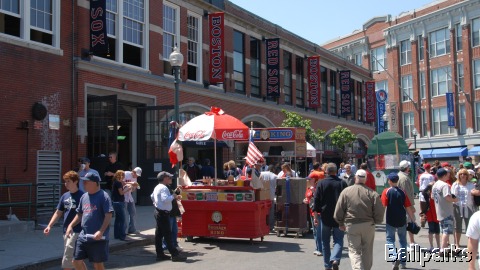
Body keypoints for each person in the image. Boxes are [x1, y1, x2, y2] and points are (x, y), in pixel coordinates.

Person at [334, 169, 384, 270]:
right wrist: (376, 221)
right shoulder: (372, 193)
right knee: (367, 250)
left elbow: (339, 209)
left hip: (352, 225)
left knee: (354, 250)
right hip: (368, 225)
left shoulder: (346, 191)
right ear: (365, 179)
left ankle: (357, 268)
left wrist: (340, 222)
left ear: (355, 177)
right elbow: (379, 210)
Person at [65, 172, 114, 270]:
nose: (84, 184)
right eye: (83, 182)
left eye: (87, 182)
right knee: (76, 261)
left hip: (98, 238)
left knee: (97, 264)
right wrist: (71, 225)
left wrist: (101, 231)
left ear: (95, 183)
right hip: (84, 236)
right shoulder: (84, 196)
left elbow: (109, 215)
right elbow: (79, 214)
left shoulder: (103, 196)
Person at [43, 171, 85, 270]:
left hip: (77, 231)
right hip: (66, 231)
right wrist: (49, 225)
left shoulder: (82, 196)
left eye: (68, 181)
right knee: (76, 259)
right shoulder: (65, 196)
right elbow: (58, 212)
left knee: (68, 259)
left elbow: (83, 214)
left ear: (75, 182)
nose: (66, 184)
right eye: (65, 181)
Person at [313, 163, 348, 270]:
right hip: (339, 217)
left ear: (326, 172)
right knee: (338, 240)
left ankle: (327, 265)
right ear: (336, 171)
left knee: (325, 241)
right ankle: (335, 259)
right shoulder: (342, 183)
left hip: (325, 216)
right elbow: (347, 201)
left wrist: (315, 217)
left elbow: (316, 200)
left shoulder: (321, 183)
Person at [381, 172, 416, 270]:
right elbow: (408, 207)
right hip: (402, 219)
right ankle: (403, 262)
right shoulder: (403, 192)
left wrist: (378, 218)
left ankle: (394, 257)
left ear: (389, 181)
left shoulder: (386, 191)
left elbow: (383, 206)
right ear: (397, 181)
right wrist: (413, 219)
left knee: (390, 240)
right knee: (403, 241)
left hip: (390, 219)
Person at [150, 171, 187, 262]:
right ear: (165, 178)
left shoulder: (158, 187)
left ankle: (160, 254)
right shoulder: (163, 188)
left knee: (159, 235)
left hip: (159, 212)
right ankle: (174, 254)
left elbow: (152, 197)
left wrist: (157, 203)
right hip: (163, 213)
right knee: (167, 234)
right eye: (169, 178)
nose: (171, 179)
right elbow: (165, 199)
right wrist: (174, 196)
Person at [432, 168, 459, 255]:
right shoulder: (444, 185)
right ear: (444, 175)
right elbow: (447, 197)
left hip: (439, 210)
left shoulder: (435, 184)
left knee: (443, 230)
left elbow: (432, 197)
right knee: (446, 231)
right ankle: (442, 249)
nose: (448, 175)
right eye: (447, 174)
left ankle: (445, 247)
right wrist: (455, 200)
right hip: (446, 210)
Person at [451, 168, 475, 252]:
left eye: (464, 174)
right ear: (458, 175)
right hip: (457, 206)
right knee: (458, 226)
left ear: (467, 176)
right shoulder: (455, 184)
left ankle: (470, 245)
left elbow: (473, 194)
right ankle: (457, 244)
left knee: (469, 226)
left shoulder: (471, 184)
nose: (463, 176)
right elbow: (452, 195)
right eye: (461, 174)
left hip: (468, 206)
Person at [397, 160, 417, 250]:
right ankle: (409, 243)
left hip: (402, 204)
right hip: (405, 205)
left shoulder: (400, 176)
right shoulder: (404, 178)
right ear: (407, 167)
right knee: (408, 223)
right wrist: (411, 207)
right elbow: (406, 194)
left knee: (407, 223)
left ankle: (411, 242)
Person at [303, 176, 322, 256]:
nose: (308, 180)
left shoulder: (318, 188)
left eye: (310, 179)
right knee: (315, 231)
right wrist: (305, 201)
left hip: (318, 213)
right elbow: (307, 199)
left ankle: (320, 249)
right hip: (311, 212)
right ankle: (317, 248)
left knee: (318, 231)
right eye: (308, 179)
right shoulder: (308, 188)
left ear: (314, 180)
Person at [111, 170, 131, 241]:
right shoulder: (118, 183)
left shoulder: (115, 182)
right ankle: (122, 235)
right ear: (120, 176)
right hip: (119, 202)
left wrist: (124, 185)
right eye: (123, 176)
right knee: (122, 220)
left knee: (117, 219)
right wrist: (127, 189)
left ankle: (116, 235)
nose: (124, 177)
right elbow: (121, 193)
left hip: (115, 202)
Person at [422, 183, 441, 253]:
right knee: (431, 231)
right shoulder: (427, 195)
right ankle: (431, 246)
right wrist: (429, 185)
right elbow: (423, 192)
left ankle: (439, 246)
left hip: (437, 214)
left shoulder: (438, 194)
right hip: (430, 214)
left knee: (437, 232)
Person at [260, 164, 278, 231]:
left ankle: (262, 225)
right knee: (271, 212)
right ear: (273, 170)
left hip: (262, 195)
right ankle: (270, 226)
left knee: (263, 211)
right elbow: (277, 186)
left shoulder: (261, 173)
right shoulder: (275, 176)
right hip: (271, 196)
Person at [124, 167, 141, 234]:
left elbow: (133, 189)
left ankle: (132, 229)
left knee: (133, 212)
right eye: (136, 174)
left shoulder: (135, 177)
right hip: (123, 195)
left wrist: (134, 187)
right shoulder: (126, 174)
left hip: (129, 196)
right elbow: (121, 182)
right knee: (123, 214)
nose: (136, 176)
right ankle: (123, 230)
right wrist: (131, 183)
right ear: (133, 172)